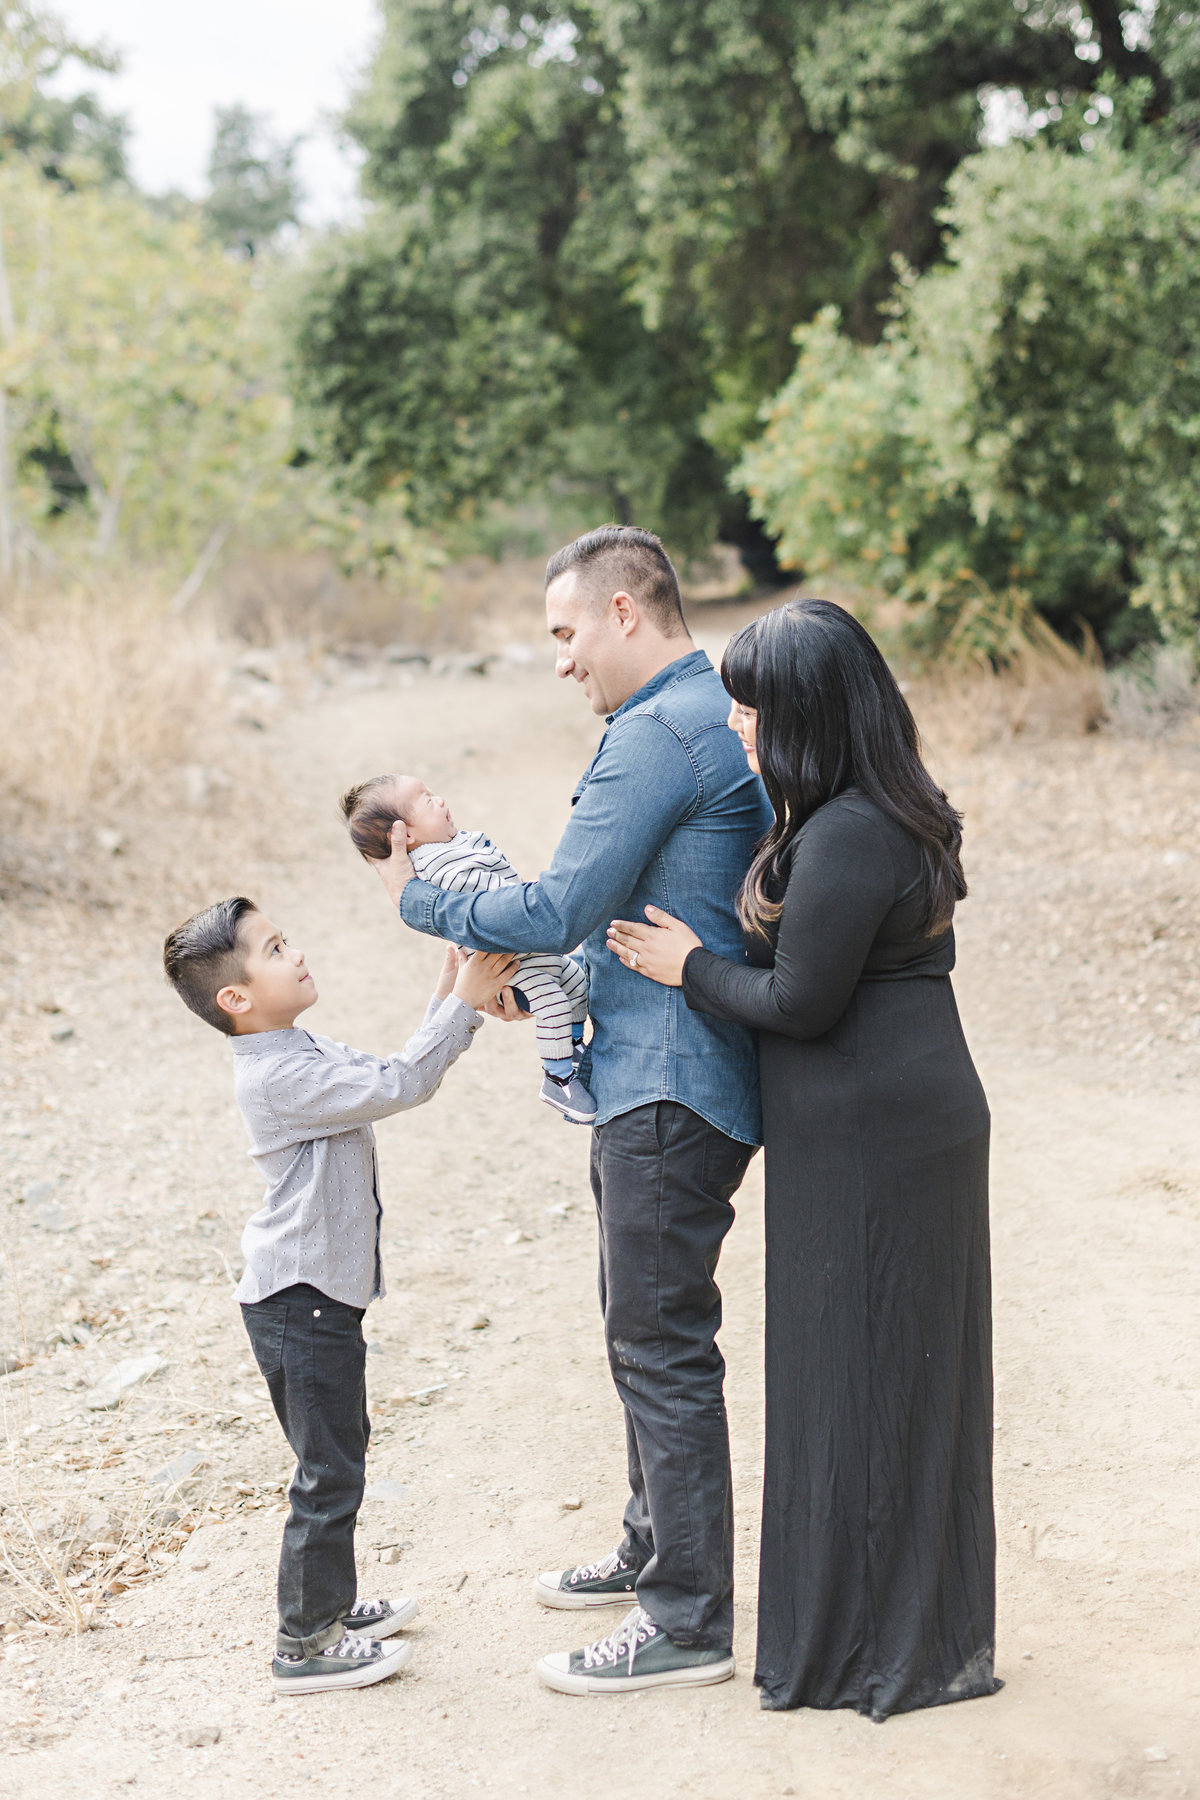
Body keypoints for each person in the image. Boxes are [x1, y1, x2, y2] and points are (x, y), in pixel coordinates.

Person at [366, 525, 773, 1695]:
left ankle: (688, 1617)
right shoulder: (699, 717)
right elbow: (614, 918)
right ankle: (656, 1547)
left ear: (626, 614)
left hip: (670, 1077)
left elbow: (552, 907)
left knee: (659, 1343)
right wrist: (568, 979)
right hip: (664, 1065)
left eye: (565, 632)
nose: (558, 660)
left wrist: (415, 904)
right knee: (638, 1325)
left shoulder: (659, 734)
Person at [606, 598, 1000, 1720]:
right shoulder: (857, 809)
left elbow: (800, 999)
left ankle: (883, 1651)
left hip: (882, 1135)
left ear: (812, 719)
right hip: (871, 1126)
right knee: (857, 1381)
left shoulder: (852, 833)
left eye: (754, 709)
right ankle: (890, 1635)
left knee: (869, 1383)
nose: (738, 726)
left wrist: (688, 967)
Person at [161, 895, 516, 1696]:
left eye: (288, 938)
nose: (297, 953)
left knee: (340, 1455)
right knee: (328, 1471)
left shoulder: (291, 1047)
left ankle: (333, 1605)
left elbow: (378, 1076)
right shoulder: (279, 1074)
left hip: (313, 1297)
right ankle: (305, 1643)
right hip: (299, 1299)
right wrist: (462, 1007)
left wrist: (448, 993)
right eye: (275, 948)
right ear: (236, 999)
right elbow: (402, 1084)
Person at [340, 774, 595, 1122]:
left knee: (577, 981)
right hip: (509, 964)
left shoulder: (454, 846)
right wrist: (538, 901)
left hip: (528, 950)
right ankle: (557, 1077)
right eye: (427, 800)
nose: (441, 800)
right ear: (405, 834)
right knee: (553, 1000)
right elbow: (491, 903)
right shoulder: (437, 866)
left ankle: (574, 1047)